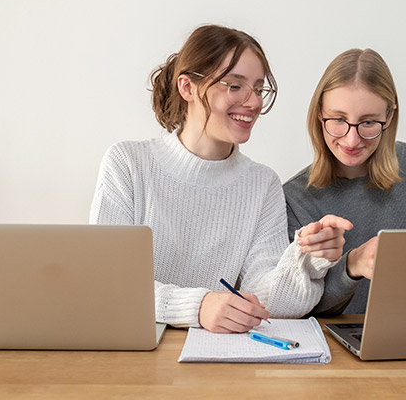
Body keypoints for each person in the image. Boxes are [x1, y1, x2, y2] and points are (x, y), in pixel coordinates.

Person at [90, 25, 344, 333]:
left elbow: (266, 303)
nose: (253, 103)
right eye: (235, 86)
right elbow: (107, 282)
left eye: (258, 88)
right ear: (188, 88)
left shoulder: (262, 184)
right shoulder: (129, 164)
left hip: (218, 361)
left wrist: (306, 259)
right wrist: (198, 307)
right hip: (134, 354)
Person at [284, 48, 406, 316]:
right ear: (319, 114)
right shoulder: (293, 198)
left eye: (368, 122)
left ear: (389, 117)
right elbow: (300, 310)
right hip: (339, 349)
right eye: (339, 120)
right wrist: (351, 265)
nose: (352, 140)